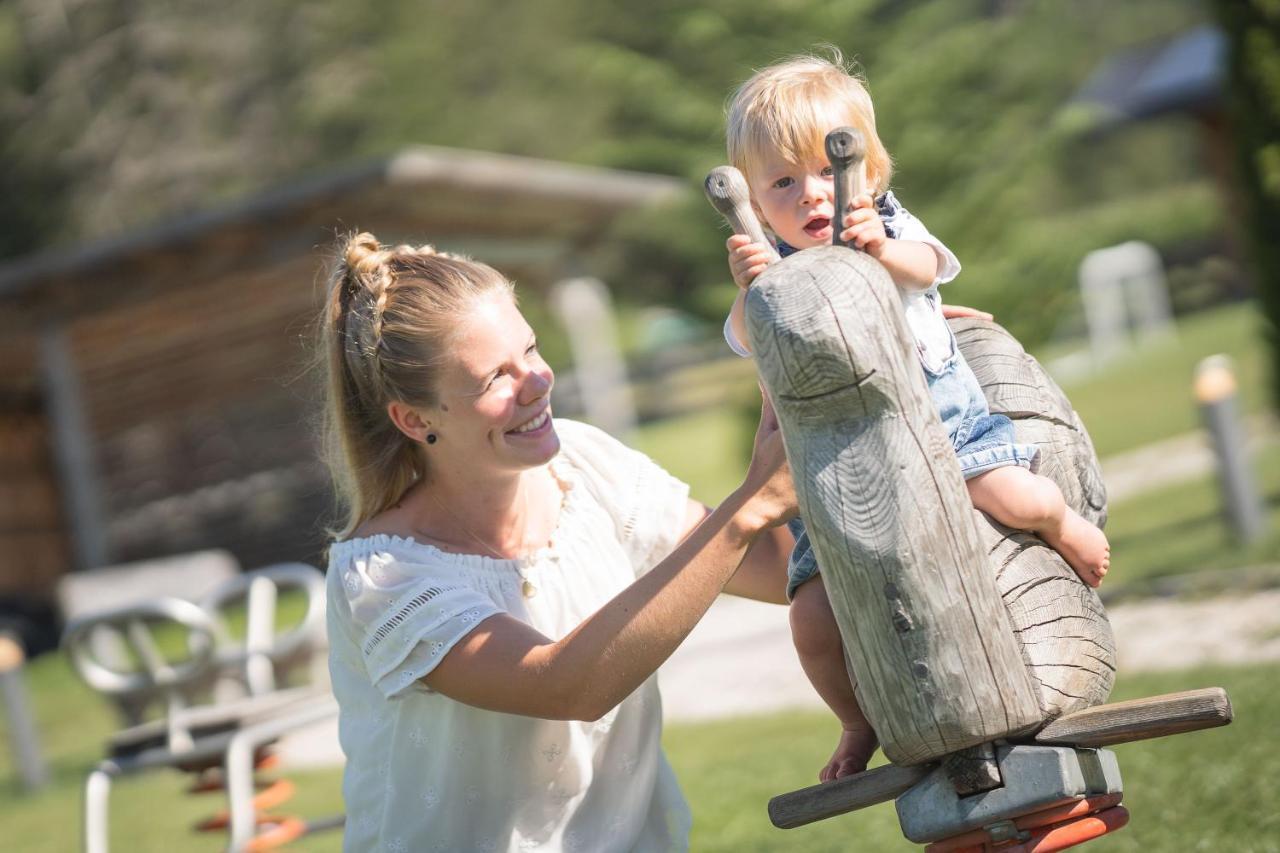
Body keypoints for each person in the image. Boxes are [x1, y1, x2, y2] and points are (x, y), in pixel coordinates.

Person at [318, 231, 797, 851]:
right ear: (415, 419)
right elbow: (567, 686)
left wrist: (806, 407)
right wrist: (746, 508)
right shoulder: (382, 576)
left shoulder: (585, 464)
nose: (538, 381)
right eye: (495, 377)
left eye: (532, 349)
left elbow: (776, 569)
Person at [718, 51, 1111, 782]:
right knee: (811, 622)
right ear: (757, 199)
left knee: (1021, 498)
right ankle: (854, 717)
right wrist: (750, 288)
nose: (810, 196)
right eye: (781, 182)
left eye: (827, 172)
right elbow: (744, 333)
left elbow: (931, 267)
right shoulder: (771, 266)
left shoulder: (888, 224)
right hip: (835, 468)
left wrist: (882, 251)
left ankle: (1066, 526)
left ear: (868, 171)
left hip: (943, 431)